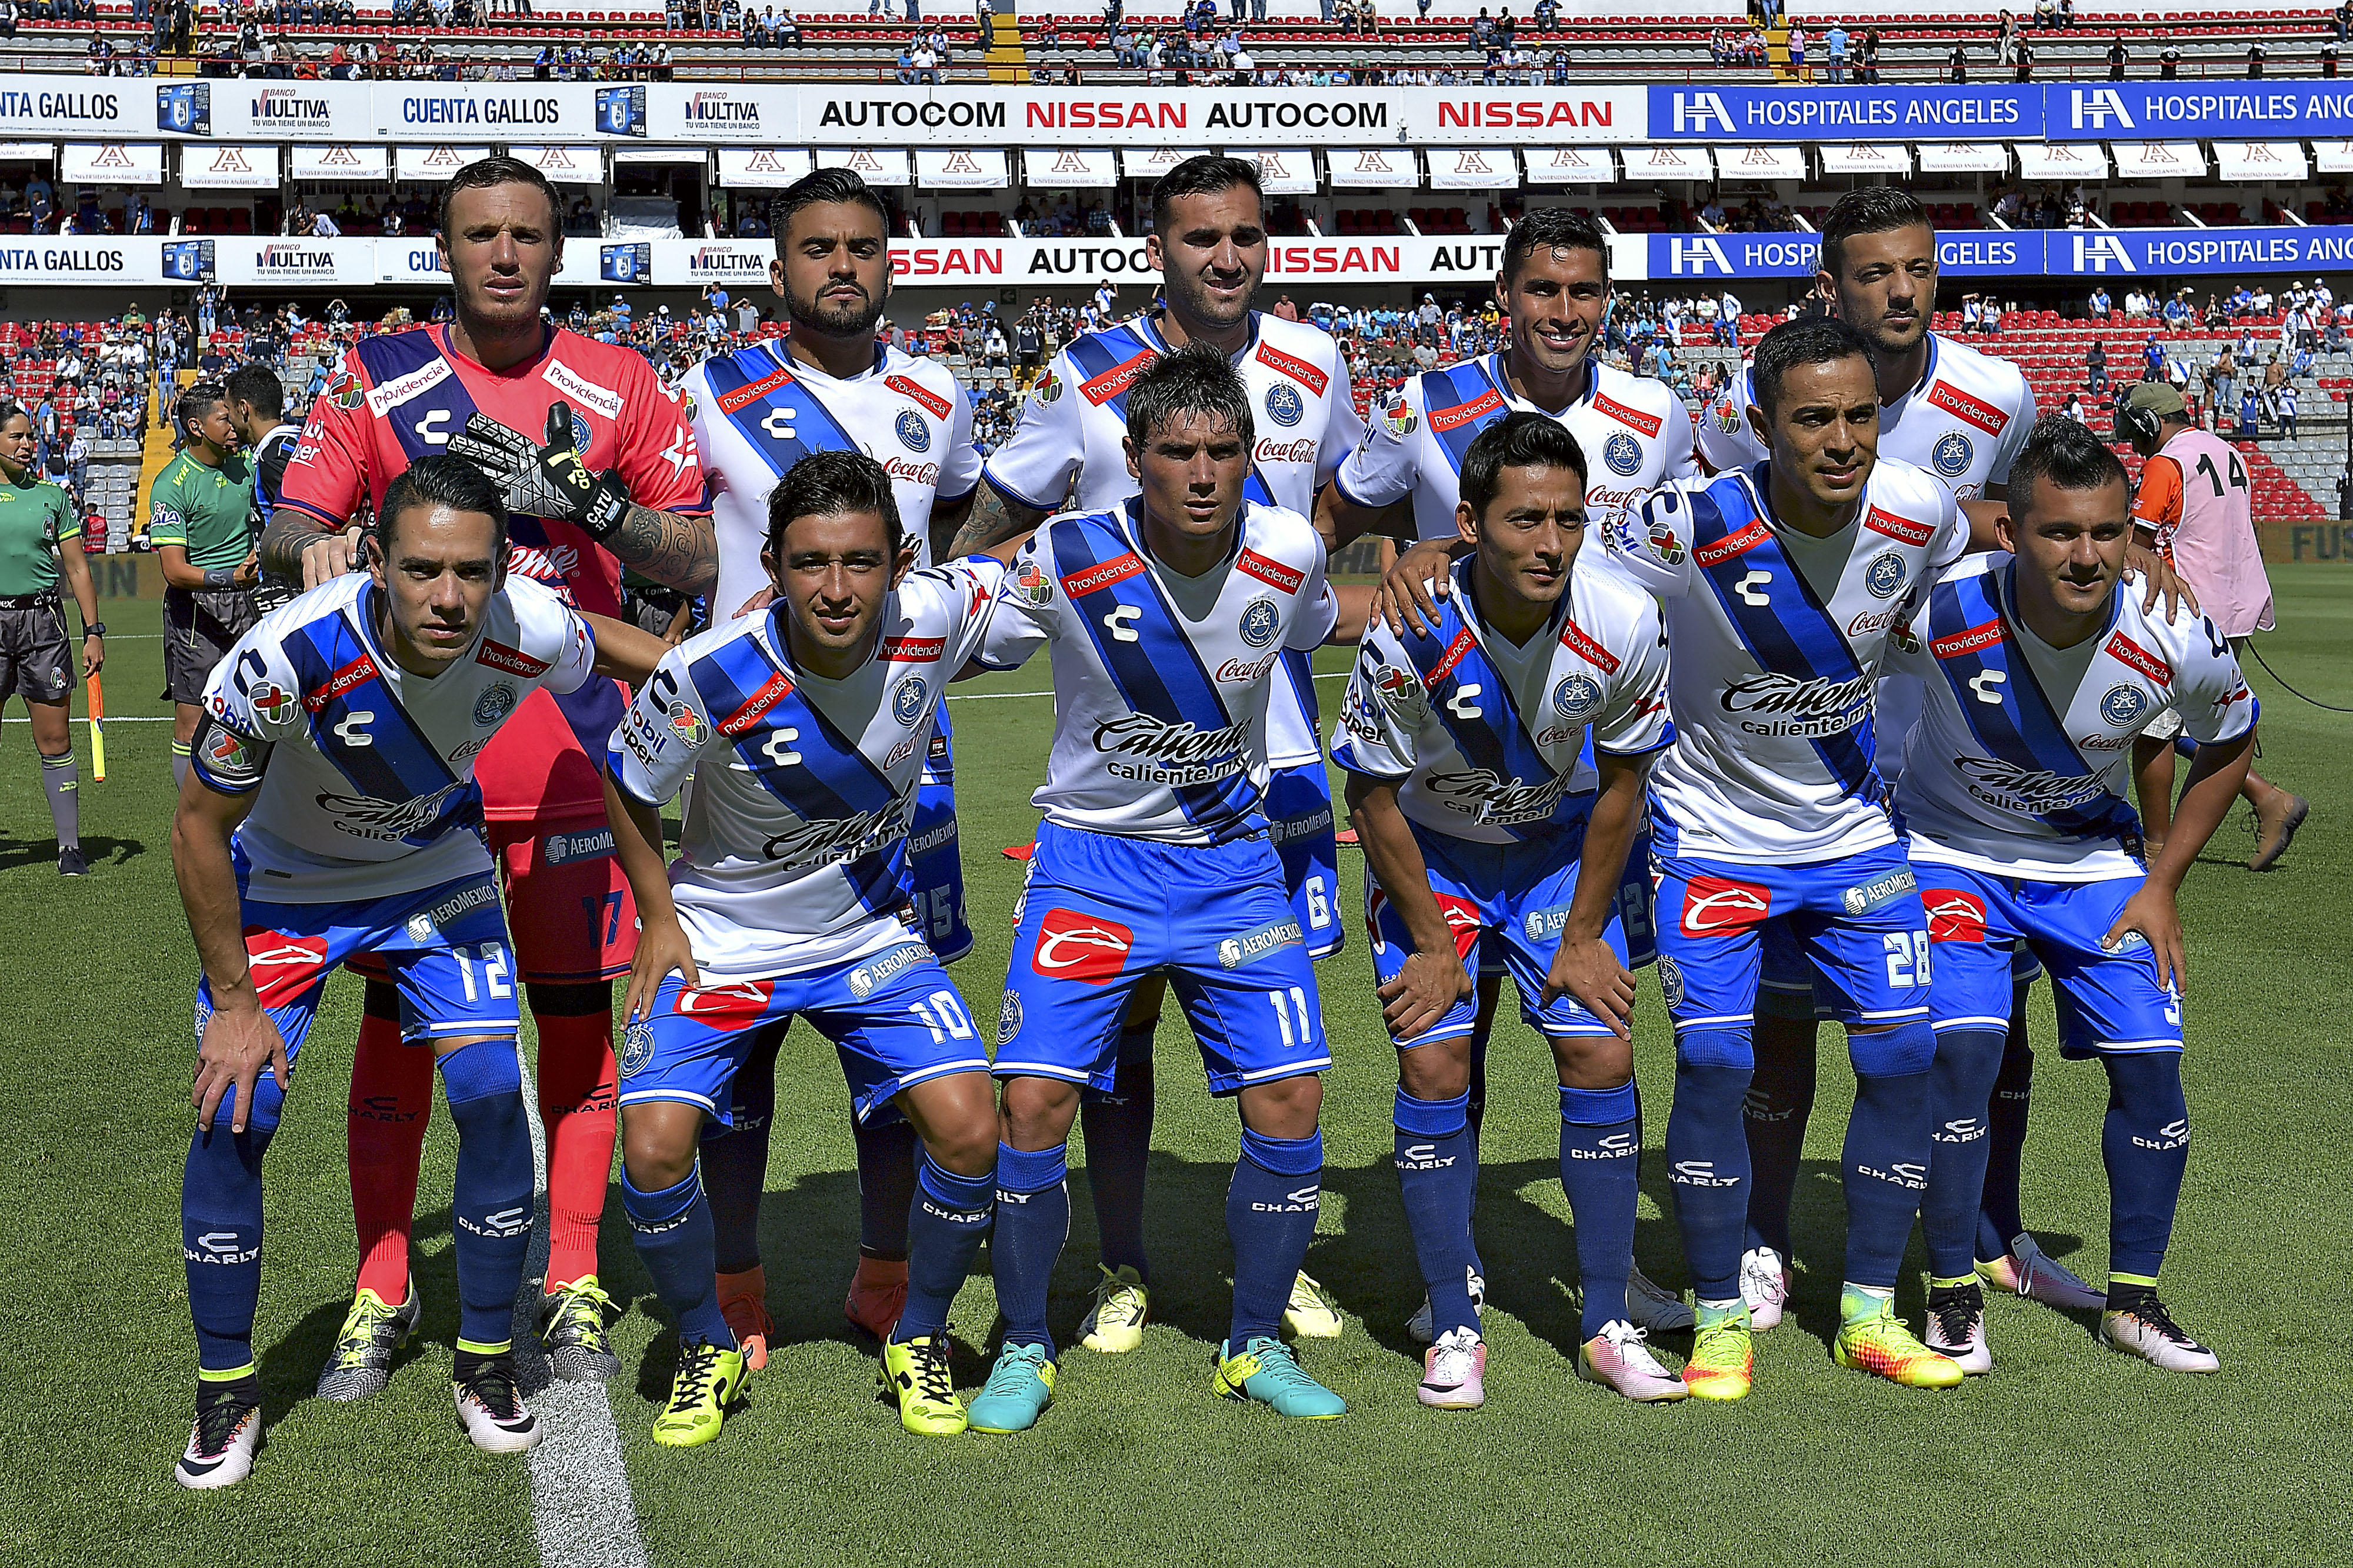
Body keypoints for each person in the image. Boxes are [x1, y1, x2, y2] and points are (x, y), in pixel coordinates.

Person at [261, 155, 714, 1400]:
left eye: (526, 234)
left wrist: (590, 505)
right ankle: (383, 1279)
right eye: (480, 234)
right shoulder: (379, 373)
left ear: (556, 250)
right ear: (445, 248)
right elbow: (289, 522)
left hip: (578, 765)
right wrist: (328, 540)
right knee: (402, 1035)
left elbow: (697, 550)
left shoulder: (621, 382)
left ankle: (570, 1272)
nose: (504, 253)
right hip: (417, 777)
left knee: (576, 1030)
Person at [167, 456, 665, 1489]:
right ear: (375, 561)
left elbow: (616, 651)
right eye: (424, 570)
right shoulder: (285, 659)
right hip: (287, 885)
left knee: (490, 1095)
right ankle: (226, 1386)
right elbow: (196, 831)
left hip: (435, 871)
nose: (449, 598)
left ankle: (484, 1360)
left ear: (498, 572)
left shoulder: (519, 621)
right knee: (237, 1106)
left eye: (472, 573)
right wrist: (231, 1005)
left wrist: (733, 679)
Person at [956, 156, 1365, 1352]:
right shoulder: (1082, 374)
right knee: (1118, 1021)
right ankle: (1124, 1263)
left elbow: (1333, 501)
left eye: (1246, 235)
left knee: (1276, 1042)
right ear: (1158, 248)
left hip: (1273, 759)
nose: (1226, 258)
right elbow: (995, 514)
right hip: (1124, 771)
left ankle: (1274, 1269)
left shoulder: (1316, 361)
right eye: (1200, 238)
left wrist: (1286, 573)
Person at [1689, 186, 2115, 1325]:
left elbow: (2022, 520)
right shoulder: (1765, 393)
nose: (1899, 290)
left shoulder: (1996, 390)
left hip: (1948, 760)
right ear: (1830, 286)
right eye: (1872, 273)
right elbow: (1730, 535)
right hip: (1792, 761)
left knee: (1975, 1016)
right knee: (1781, 1014)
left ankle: (1990, 1230)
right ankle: (1763, 1239)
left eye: (1917, 269)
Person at [1322, 205, 1702, 1338]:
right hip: (1451, 745)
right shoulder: (1428, 404)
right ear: (1506, 297)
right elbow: (1342, 506)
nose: (1565, 314)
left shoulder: (1656, 411)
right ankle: (1463, 1257)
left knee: (1596, 1012)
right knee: (1459, 1028)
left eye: (1585, 293)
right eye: (1543, 291)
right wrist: (1407, 558)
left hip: (1593, 743)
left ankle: (1609, 1269)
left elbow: (1695, 528)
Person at [601, 451, 1018, 1444]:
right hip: (723, 941)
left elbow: (1069, 550)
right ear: (775, 567)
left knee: (971, 1127)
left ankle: (916, 1331)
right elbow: (629, 783)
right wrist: (660, 918)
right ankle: (706, 1342)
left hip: (866, 936)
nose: (837, 588)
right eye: (811, 563)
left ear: (901, 561)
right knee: (653, 1147)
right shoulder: (707, 672)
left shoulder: (938, 618)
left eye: (861, 562)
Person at [1609, 317, 1970, 1399]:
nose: (1843, 440)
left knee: (1908, 1059)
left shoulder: (1920, 507)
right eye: (1813, 418)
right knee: (1720, 1064)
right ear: (1759, 426)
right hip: (1712, 839)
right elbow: (1553, 581)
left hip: (1858, 836)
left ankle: (1867, 1309)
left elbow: (1951, 585)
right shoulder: (1682, 523)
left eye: (1861, 415)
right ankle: (1720, 1314)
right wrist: (1438, 554)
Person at [674, 167, 985, 1358]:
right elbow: (680, 549)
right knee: (737, 1034)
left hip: (904, 759)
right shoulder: (712, 389)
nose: (840, 266)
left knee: (894, 1040)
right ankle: (740, 1282)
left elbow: (955, 527)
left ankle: (883, 1274)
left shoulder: (939, 390)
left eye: (861, 246)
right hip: (745, 763)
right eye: (816, 248)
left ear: (889, 261)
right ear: (779, 268)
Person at [1892, 416, 2255, 1375]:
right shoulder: (1937, 607)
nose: (2087, 554)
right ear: (2013, 533)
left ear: (2132, 531)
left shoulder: (2174, 627)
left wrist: (2166, 880)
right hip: (1949, 858)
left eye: (2107, 531)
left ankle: (2133, 1301)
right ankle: (1953, 1292)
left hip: (2092, 866)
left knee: (2153, 1068)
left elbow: (2230, 739)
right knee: (1963, 1054)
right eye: (2060, 532)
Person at [2117, 381, 2308, 870]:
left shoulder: (2166, 463)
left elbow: (2137, 547)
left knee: (2151, 729)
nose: (2136, 448)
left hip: (2188, 608)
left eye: (2136, 436)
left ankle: (2157, 847)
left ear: (2150, 426)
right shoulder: (2230, 452)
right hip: (2236, 606)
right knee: (2203, 719)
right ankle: (2270, 800)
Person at [0, 401, 101, 876]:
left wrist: (93, 631)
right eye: (15, 437)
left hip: (43, 626)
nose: (26, 444)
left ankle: (68, 848)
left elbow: (77, 567)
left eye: (28, 437)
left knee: (55, 739)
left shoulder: (53, 496)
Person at [151, 380, 258, 789]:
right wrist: (230, 577)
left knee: (258, 707)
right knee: (192, 719)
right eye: (223, 419)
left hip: (252, 602)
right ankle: (191, 821)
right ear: (196, 427)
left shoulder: (246, 465)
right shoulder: (171, 484)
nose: (233, 426)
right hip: (196, 612)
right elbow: (174, 571)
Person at [222, 363, 301, 614]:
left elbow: (308, 522)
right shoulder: (298, 441)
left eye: (229, 411)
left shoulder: (273, 458)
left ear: (244, 409)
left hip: (291, 595)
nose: (229, 421)